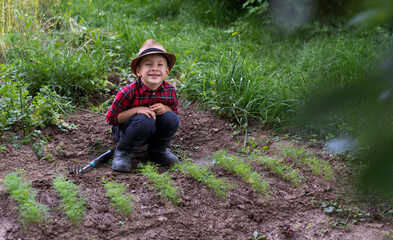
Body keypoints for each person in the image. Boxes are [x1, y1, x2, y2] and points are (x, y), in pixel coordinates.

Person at [106, 39, 179, 173]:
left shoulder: (169, 91)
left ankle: (157, 151)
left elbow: (174, 111)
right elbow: (112, 119)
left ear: (167, 71)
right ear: (138, 71)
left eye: (160, 64)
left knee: (171, 118)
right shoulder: (128, 92)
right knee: (144, 119)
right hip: (127, 130)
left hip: (152, 129)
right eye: (148, 64)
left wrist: (165, 108)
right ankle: (123, 152)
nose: (155, 68)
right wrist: (136, 110)